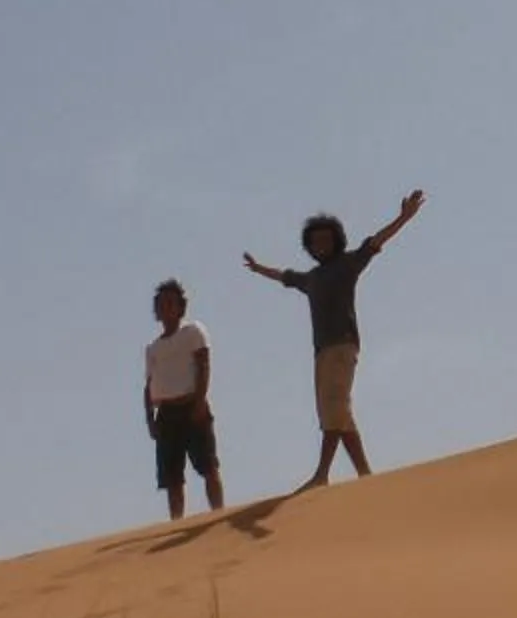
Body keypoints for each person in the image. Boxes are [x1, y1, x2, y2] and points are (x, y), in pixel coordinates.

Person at [244, 189, 424, 489]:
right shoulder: (311, 278)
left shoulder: (348, 264)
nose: (321, 245)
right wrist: (258, 268)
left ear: (337, 240)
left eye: (326, 239)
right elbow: (284, 277)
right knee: (339, 413)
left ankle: (321, 474)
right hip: (322, 351)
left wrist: (403, 217)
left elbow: (375, 242)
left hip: (343, 345)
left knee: (333, 407)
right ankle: (365, 475)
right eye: (316, 241)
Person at [142, 279, 224, 519]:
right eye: (161, 304)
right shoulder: (152, 348)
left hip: (191, 405)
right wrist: (150, 419)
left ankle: (218, 514)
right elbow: (148, 385)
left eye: (171, 303)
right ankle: (176, 522)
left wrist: (200, 401)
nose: (166, 308)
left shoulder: (192, 332)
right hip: (166, 413)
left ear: (181, 307)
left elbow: (203, 365)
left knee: (208, 465)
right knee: (172, 477)